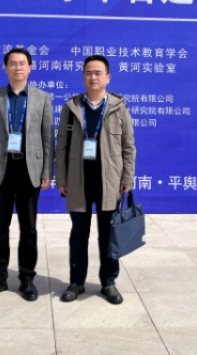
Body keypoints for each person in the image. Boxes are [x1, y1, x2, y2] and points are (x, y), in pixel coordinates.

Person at [55, 54, 136, 305]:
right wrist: (61, 178)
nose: (93, 77)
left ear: (107, 78)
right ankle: (76, 282)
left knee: (109, 235)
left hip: (109, 182)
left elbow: (128, 146)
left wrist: (127, 177)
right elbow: (61, 146)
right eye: (88, 72)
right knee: (79, 234)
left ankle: (108, 282)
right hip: (78, 181)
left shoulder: (118, 107)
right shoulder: (71, 107)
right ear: (83, 76)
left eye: (98, 73)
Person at [0, 47, 54, 301]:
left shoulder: (43, 98)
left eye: (22, 63)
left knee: (29, 228)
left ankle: (27, 279)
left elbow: (47, 138)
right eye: (13, 63)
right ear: (5, 68)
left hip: (30, 169)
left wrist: (47, 171)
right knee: (0, 226)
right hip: (1, 168)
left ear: (30, 68)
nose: (17, 67)